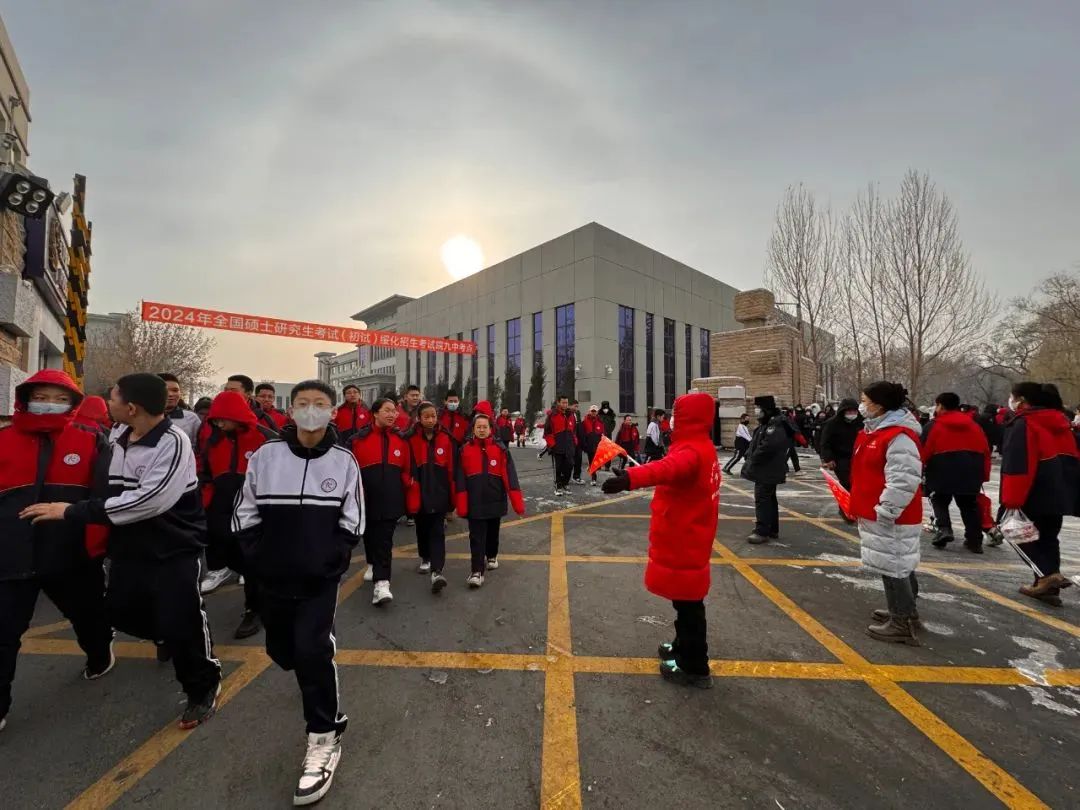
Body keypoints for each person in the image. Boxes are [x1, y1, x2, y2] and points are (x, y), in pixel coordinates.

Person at [23, 373, 221, 728]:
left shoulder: (172, 442)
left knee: (182, 621)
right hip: (130, 548)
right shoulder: (117, 435)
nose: (107, 402)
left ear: (131, 408)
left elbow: (148, 501)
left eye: (113, 397)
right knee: (120, 611)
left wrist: (71, 511)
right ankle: (164, 630)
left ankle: (202, 686)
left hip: (173, 549)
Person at [233, 379, 363, 806]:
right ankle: (315, 674)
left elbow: (353, 517)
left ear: (332, 412)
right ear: (290, 410)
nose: (311, 410)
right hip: (272, 577)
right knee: (283, 651)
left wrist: (333, 558)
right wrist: (257, 555)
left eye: (319, 403)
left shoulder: (344, 460)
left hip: (318, 580)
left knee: (311, 651)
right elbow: (245, 510)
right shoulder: (266, 456)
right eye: (303, 403)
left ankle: (324, 736)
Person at [1, 370, 115, 733]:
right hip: (10, 558)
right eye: (41, 397)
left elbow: (104, 499)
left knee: (88, 616)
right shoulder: (4, 439)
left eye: (59, 399)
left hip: (70, 556)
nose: (49, 404)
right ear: (25, 399)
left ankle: (99, 654)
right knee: (4, 633)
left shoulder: (91, 440)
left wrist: (97, 548)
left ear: (72, 404)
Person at [601, 392, 720, 688]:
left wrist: (629, 479)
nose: (673, 420)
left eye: (678, 415)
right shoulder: (700, 445)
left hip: (685, 538)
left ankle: (694, 667)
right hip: (690, 535)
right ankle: (682, 646)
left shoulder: (692, 451)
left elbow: (665, 469)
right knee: (686, 602)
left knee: (689, 606)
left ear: (689, 419)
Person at [197, 391, 277, 638]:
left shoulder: (266, 439)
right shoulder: (213, 442)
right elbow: (205, 474)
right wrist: (205, 503)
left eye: (222, 418)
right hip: (221, 510)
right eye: (214, 420)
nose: (218, 424)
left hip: (257, 511)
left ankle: (255, 609)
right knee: (228, 553)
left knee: (253, 561)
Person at [850, 381, 925, 646]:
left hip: (891, 514)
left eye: (865, 400)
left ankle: (901, 622)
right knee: (895, 564)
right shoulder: (876, 431)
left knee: (895, 567)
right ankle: (905, 611)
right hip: (879, 511)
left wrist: (888, 510)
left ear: (879, 405)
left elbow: (904, 479)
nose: (862, 405)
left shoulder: (898, 436)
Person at [1000, 382, 1078, 606]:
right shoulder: (1061, 423)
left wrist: (1011, 500)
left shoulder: (1025, 423)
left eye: (1013, 397)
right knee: (1048, 536)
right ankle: (1046, 586)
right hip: (1060, 491)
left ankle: (1046, 575)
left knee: (1012, 529)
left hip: (1032, 490)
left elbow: (1018, 464)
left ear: (1022, 400)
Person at [351, 398, 419, 605]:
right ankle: (372, 563)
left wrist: (408, 485)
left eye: (394, 411)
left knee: (384, 539)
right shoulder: (358, 440)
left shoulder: (401, 439)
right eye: (387, 410)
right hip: (365, 498)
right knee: (370, 535)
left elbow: (407, 469)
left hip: (391, 498)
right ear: (375, 413)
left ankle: (382, 584)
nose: (392, 414)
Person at [455, 411, 525, 587]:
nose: (481, 430)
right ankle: (476, 572)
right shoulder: (464, 450)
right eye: (478, 427)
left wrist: (517, 502)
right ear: (473, 429)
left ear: (490, 429)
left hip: (495, 499)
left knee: (492, 533)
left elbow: (510, 476)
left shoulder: (501, 449)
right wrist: (461, 502)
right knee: (476, 537)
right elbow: (460, 478)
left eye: (484, 427)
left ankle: (492, 555)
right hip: (474, 502)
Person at [922, 392, 992, 554]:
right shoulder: (974, 426)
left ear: (940, 406)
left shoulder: (933, 426)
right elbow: (985, 451)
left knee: (939, 499)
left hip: (941, 467)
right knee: (969, 504)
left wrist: (922, 469)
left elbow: (924, 450)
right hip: (972, 468)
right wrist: (984, 474)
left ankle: (944, 529)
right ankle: (974, 540)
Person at [406, 402, 455, 592]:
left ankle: (437, 571)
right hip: (418, 491)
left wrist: (452, 495)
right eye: (426, 416)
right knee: (422, 528)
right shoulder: (410, 438)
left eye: (433, 416)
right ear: (419, 418)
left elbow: (451, 468)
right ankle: (425, 557)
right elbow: (406, 466)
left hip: (439, 492)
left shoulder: (445, 438)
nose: (430, 420)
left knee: (437, 531)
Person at [742, 396, 794, 544]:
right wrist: (749, 454)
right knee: (769, 499)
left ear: (766, 409)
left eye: (759, 408)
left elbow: (768, 446)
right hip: (768, 468)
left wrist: (754, 458)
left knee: (762, 499)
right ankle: (771, 529)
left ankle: (762, 531)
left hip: (768, 468)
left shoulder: (775, 424)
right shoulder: (768, 423)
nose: (757, 411)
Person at [818, 399, 863, 520]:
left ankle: (855, 507)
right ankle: (845, 509)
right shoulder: (832, 423)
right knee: (846, 483)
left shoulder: (861, 422)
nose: (852, 414)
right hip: (840, 458)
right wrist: (828, 459)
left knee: (858, 484)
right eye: (849, 411)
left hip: (858, 457)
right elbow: (825, 443)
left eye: (854, 411)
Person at [543, 395, 577, 496]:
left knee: (570, 465)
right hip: (557, 445)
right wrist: (552, 444)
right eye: (563, 402)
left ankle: (565, 483)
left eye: (566, 402)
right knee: (558, 467)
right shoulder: (552, 415)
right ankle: (558, 485)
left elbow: (574, 430)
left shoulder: (571, 415)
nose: (565, 405)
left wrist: (574, 441)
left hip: (569, 445)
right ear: (558, 403)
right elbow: (547, 432)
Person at [158, 373, 202, 448]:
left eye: (175, 390)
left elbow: (199, 447)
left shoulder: (191, 418)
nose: (170, 394)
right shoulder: (143, 418)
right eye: (165, 390)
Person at [579, 405, 606, 485]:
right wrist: (584, 444)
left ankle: (592, 472)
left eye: (595, 411)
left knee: (595, 461)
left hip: (597, 444)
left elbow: (603, 433)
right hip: (589, 444)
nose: (593, 413)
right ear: (589, 411)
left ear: (597, 412)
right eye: (592, 411)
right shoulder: (585, 421)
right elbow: (582, 433)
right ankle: (593, 478)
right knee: (592, 461)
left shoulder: (600, 422)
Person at [570, 400, 587, 484]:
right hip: (570, 441)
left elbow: (579, 427)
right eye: (575, 406)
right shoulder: (567, 414)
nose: (576, 408)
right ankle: (565, 477)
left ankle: (576, 476)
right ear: (570, 406)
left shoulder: (577, 414)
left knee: (578, 459)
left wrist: (583, 440)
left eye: (577, 406)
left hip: (578, 441)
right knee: (569, 461)